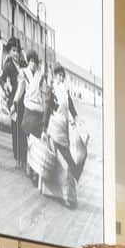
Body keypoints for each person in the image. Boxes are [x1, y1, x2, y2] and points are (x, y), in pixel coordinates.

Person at [41, 63, 81, 208]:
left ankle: (68, 194)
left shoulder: (65, 90)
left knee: (67, 161)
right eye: (58, 75)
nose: (60, 77)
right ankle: (58, 193)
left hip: (64, 129)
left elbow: (70, 105)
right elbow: (46, 108)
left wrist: (75, 117)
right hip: (54, 128)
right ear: (54, 75)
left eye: (62, 75)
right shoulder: (51, 89)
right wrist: (44, 129)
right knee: (56, 160)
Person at [15, 50, 47, 181]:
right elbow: (20, 90)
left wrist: (46, 110)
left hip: (38, 111)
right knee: (29, 141)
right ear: (28, 61)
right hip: (28, 109)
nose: (33, 64)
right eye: (31, 61)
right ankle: (29, 166)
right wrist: (14, 102)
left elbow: (44, 93)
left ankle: (34, 169)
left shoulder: (41, 76)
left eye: (35, 61)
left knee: (37, 143)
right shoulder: (23, 73)